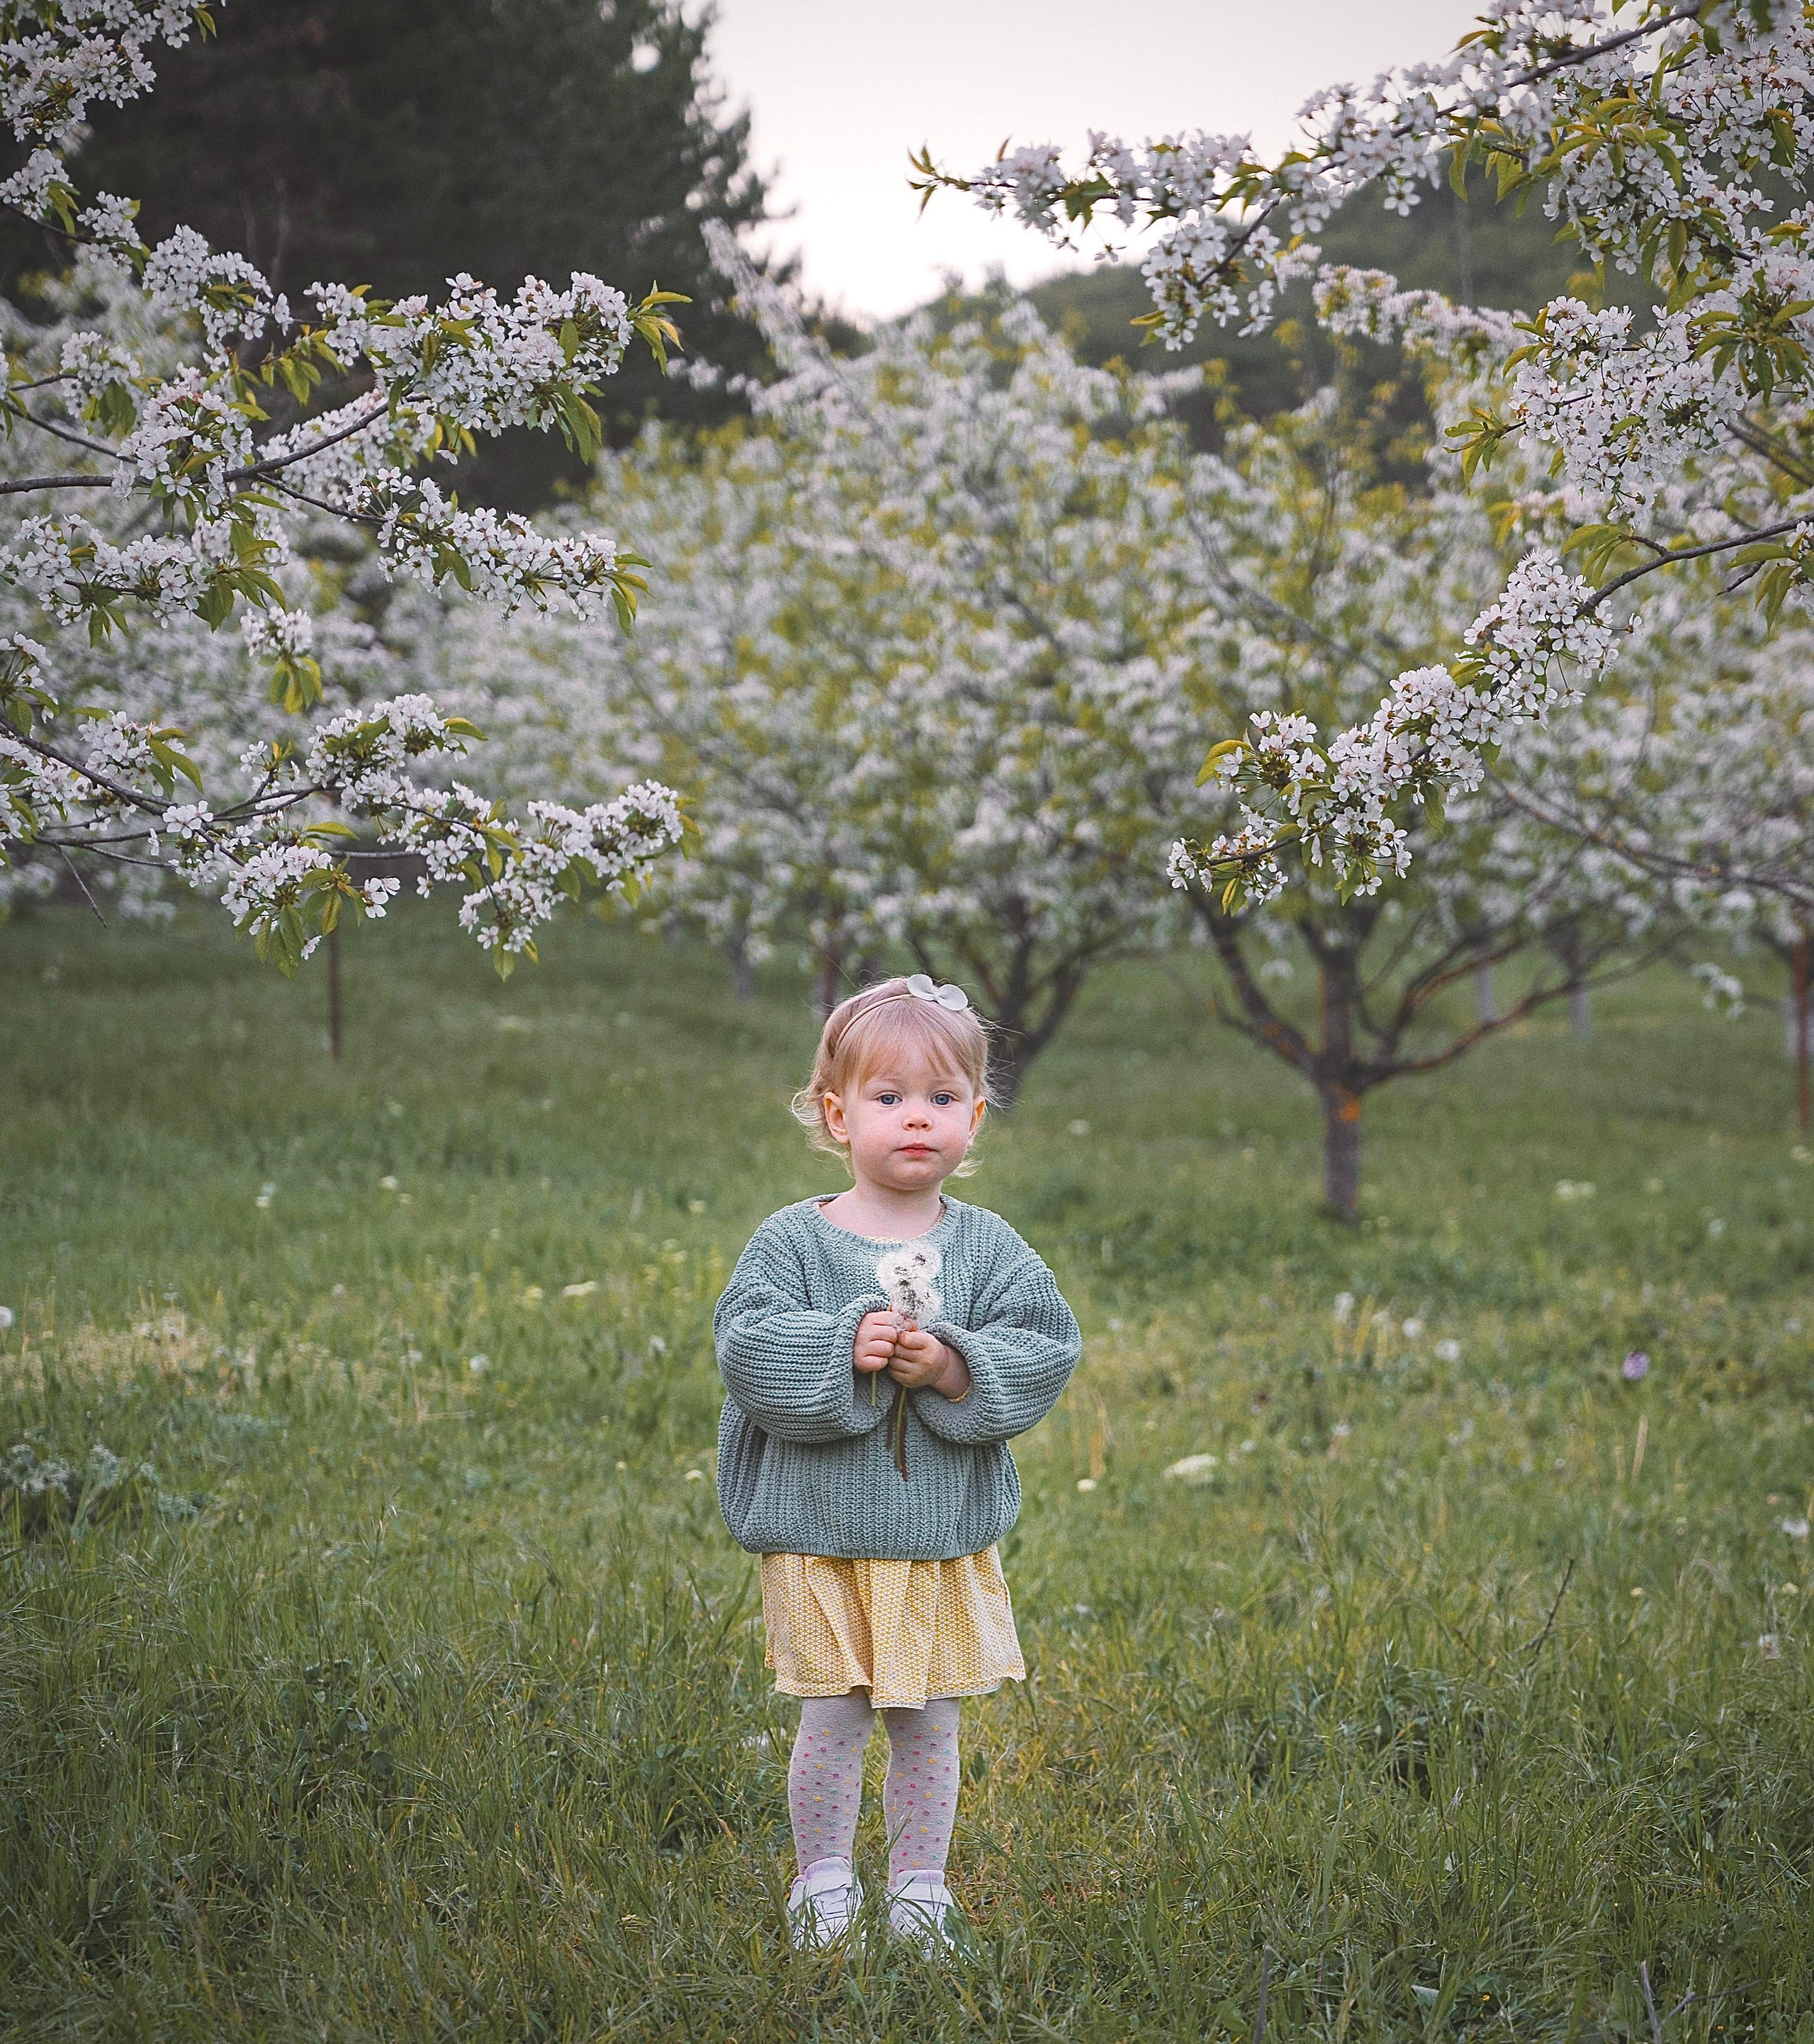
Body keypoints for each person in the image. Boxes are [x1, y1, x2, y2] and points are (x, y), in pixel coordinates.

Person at [713, 973, 1081, 1952]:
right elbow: (747, 1345)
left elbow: (1046, 1344)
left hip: (932, 1540)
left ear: (976, 1117)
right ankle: (823, 1883)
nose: (917, 1121)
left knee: (929, 1725)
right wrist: (846, 1347)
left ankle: (920, 1886)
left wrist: (956, 1365)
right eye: (889, 1099)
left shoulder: (990, 1247)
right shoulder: (794, 1241)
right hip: (821, 1534)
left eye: (943, 1100)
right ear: (837, 1114)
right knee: (832, 1719)